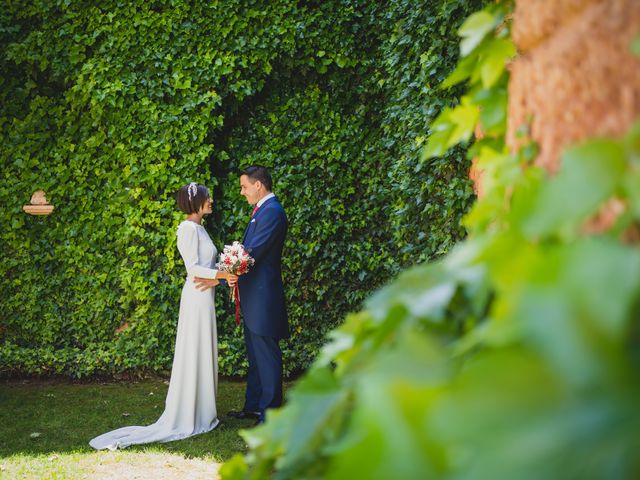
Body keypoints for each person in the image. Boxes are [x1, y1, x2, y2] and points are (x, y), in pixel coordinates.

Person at [89, 183, 237, 450]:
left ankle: (203, 411)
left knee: (204, 349)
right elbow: (192, 268)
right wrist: (223, 275)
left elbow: (206, 266)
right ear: (195, 202)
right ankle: (188, 413)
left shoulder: (201, 228)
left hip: (206, 295)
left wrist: (225, 270)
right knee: (194, 349)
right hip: (195, 296)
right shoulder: (186, 228)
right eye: (207, 197)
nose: (211, 200)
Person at [195, 165, 289, 426]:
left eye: (244, 187)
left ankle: (270, 413)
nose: (242, 192)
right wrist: (226, 271)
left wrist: (223, 271)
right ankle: (254, 406)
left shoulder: (272, 212)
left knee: (266, 353)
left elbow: (252, 252)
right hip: (254, 295)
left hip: (263, 295)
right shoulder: (263, 210)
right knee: (255, 352)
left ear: (258, 185)